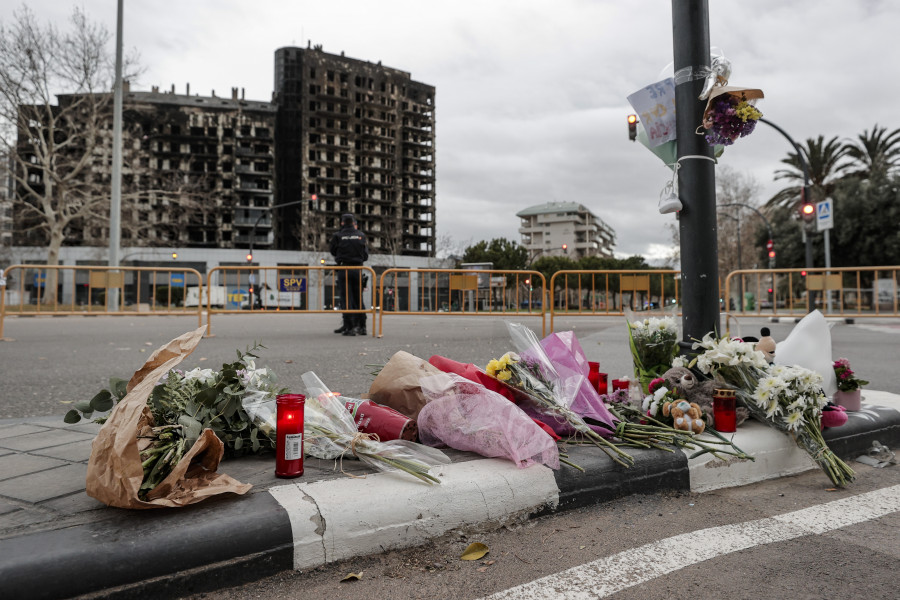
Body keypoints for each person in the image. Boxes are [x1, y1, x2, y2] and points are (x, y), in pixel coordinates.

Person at [329, 214, 369, 336]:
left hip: (344, 268)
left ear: (342, 223)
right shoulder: (361, 235)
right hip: (358, 269)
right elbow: (365, 255)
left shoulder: (338, 236)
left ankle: (349, 327)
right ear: (353, 223)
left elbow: (333, 251)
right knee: (358, 299)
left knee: (346, 299)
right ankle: (362, 327)